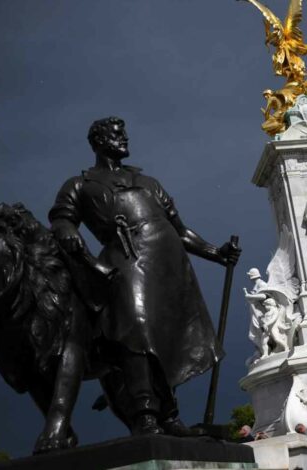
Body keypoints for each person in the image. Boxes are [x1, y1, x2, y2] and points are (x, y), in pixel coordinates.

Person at [49, 116, 240, 435]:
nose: (124, 139)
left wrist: (216, 254)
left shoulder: (149, 182)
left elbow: (181, 231)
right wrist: (68, 233)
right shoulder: (80, 184)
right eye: (115, 134)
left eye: (124, 134)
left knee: (167, 337)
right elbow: (61, 219)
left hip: (169, 265)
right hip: (125, 258)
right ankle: (144, 412)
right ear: (98, 141)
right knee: (135, 330)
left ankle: (169, 415)